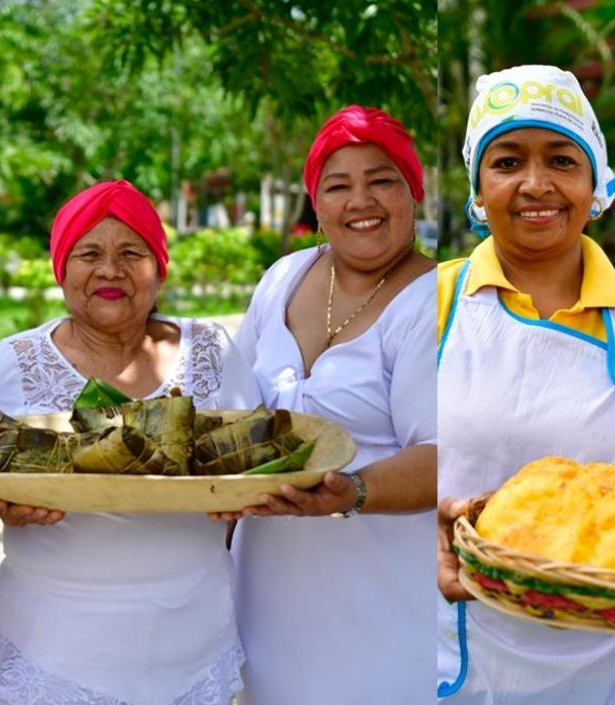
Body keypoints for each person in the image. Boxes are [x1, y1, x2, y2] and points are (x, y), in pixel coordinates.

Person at [435, 65, 615, 704]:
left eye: (562, 160)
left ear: (595, 184)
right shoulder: (434, 301)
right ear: (478, 188)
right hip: (461, 654)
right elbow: (380, 461)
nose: (536, 184)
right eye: (507, 162)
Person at [0, 180, 261, 704]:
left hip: (191, 638)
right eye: (89, 254)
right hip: (57, 649)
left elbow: (252, 458)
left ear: (159, 269)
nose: (110, 270)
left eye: (131, 254)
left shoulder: (211, 348)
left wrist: (239, 496)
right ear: (62, 269)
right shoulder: (14, 362)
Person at [223, 105, 437, 705]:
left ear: (413, 192)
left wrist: (354, 491)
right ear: (316, 204)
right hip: (265, 598)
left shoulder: (436, 299)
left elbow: (445, 452)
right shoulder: (283, 278)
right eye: (337, 186)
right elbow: (236, 411)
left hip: (385, 606)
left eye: (382, 180)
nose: (360, 201)